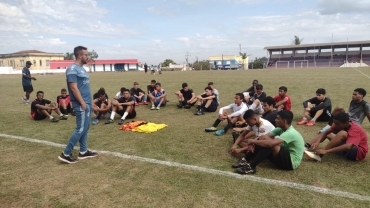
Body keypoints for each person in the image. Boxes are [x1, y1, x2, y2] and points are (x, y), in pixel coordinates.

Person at [58, 46, 98, 164]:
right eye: (86, 55)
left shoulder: (82, 69)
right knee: (80, 128)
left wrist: (89, 102)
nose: (88, 57)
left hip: (87, 103)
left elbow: (83, 87)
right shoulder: (72, 69)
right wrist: (82, 103)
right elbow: (73, 88)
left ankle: (83, 151)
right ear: (80, 56)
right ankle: (66, 153)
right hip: (81, 104)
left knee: (85, 128)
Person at [234, 110, 304, 174]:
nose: (275, 120)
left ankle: (251, 166)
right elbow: (262, 137)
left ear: (284, 121)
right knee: (264, 139)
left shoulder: (290, 132)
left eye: (277, 118)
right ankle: (246, 159)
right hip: (283, 156)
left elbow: (270, 143)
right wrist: (253, 142)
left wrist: (252, 141)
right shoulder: (280, 129)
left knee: (269, 144)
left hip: (291, 162)